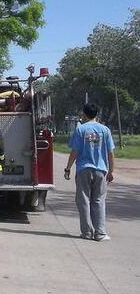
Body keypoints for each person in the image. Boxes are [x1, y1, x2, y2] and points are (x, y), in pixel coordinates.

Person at [64, 103, 115, 241]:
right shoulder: (105, 130)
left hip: (83, 169)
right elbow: (110, 153)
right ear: (96, 114)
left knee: (84, 200)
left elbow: (74, 151)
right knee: (98, 200)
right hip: (101, 169)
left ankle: (86, 232)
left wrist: (68, 168)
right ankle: (100, 233)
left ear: (84, 114)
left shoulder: (81, 130)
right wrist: (111, 171)